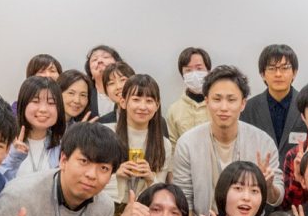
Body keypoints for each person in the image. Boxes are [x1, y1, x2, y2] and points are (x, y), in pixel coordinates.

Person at [170, 66, 284, 216]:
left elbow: (277, 199)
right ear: (207, 101)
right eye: (217, 99)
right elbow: (185, 202)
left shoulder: (263, 142)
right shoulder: (187, 143)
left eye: (231, 100)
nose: (224, 107)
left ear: (243, 104)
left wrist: (269, 186)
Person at [109, 72, 171, 203]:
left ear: (157, 106)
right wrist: (116, 174)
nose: (143, 107)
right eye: (136, 99)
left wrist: (150, 177)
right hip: (110, 207)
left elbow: (161, 192)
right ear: (123, 102)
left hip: (146, 209)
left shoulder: (164, 144)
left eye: (149, 101)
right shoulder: (107, 134)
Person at [0, 74, 65, 181]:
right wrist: (14, 157)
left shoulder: (63, 145)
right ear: (23, 104)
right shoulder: (4, 140)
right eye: (35, 101)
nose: (43, 109)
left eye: (51, 103)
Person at [241, 43, 305, 152]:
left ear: (294, 73)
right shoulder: (248, 108)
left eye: (285, 68)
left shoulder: (306, 105)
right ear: (262, 74)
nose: (278, 74)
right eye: (271, 68)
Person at [165, 46, 214, 141]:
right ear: (182, 75)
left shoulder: (219, 105)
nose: (194, 74)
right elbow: (173, 145)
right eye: (188, 70)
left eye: (199, 68)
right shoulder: (174, 110)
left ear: (208, 71)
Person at [85, 44, 124, 121]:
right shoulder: (85, 97)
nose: (99, 61)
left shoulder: (130, 92)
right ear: (91, 74)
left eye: (105, 57)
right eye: (94, 59)